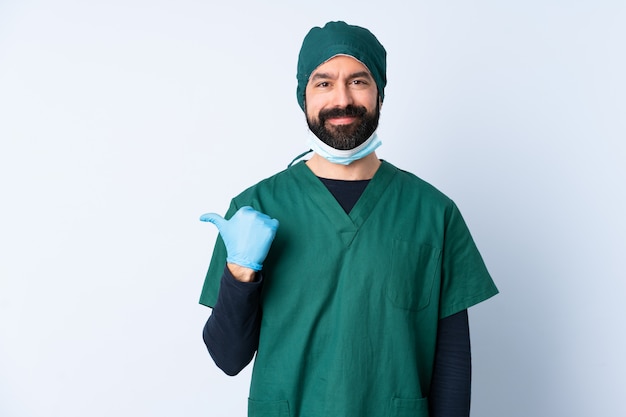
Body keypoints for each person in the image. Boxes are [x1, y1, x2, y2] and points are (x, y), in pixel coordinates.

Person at [198, 21, 498, 417]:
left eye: (358, 81)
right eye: (323, 83)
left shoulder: (432, 212)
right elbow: (228, 358)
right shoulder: (254, 209)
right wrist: (240, 273)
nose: (342, 98)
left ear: (379, 94)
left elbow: (453, 368)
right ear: (303, 96)